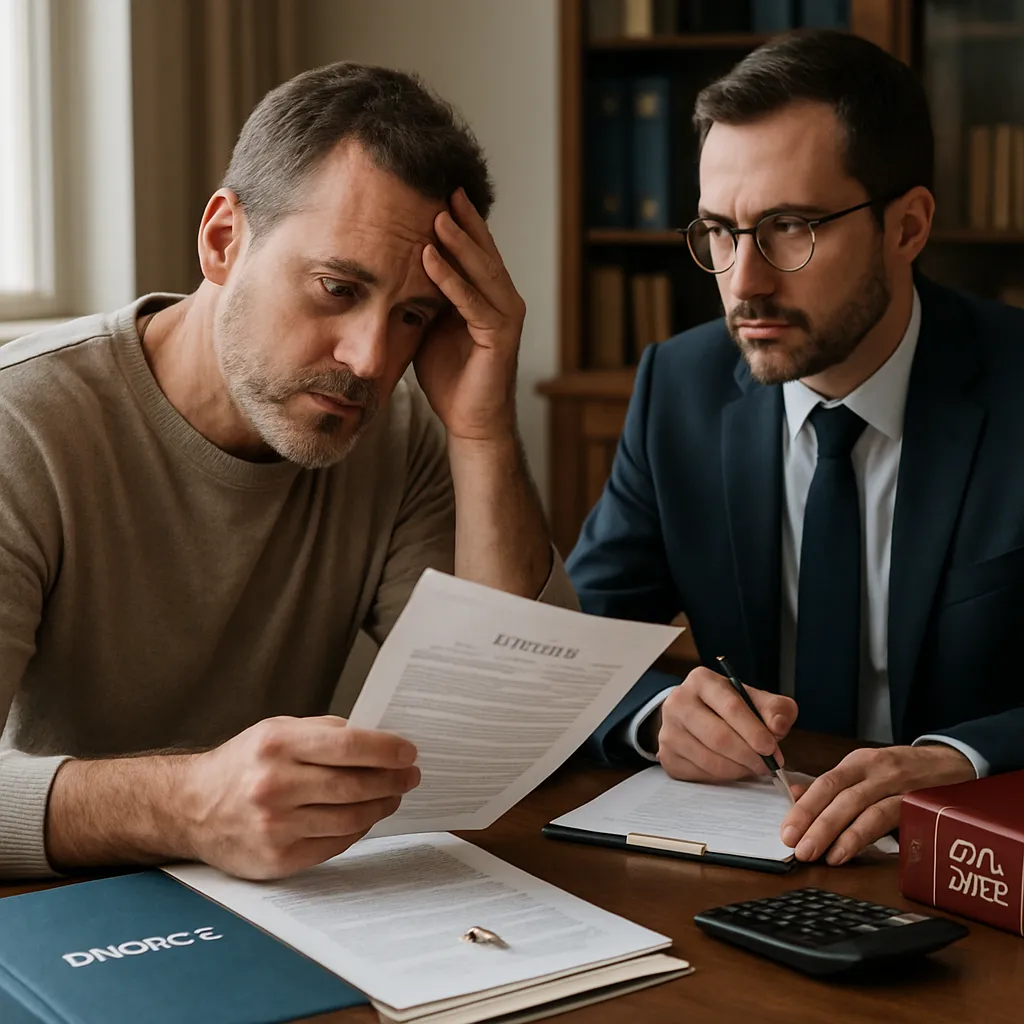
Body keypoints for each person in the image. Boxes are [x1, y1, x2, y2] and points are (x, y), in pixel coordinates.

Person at [0, 62, 576, 881]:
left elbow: (513, 726)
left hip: (290, 909)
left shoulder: (401, 434)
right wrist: (186, 802)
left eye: (413, 315)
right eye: (338, 288)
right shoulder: (21, 422)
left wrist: (481, 431)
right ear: (223, 241)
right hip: (59, 914)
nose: (370, 361)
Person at [570, 30, 1024, 866]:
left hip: (964, 862)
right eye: (719, 232)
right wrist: (657, 714)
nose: (743, 281)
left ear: (909, 226)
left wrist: (960, 758)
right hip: (742, 850)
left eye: (789, 227)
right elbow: (576, 642)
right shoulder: (678, 387)